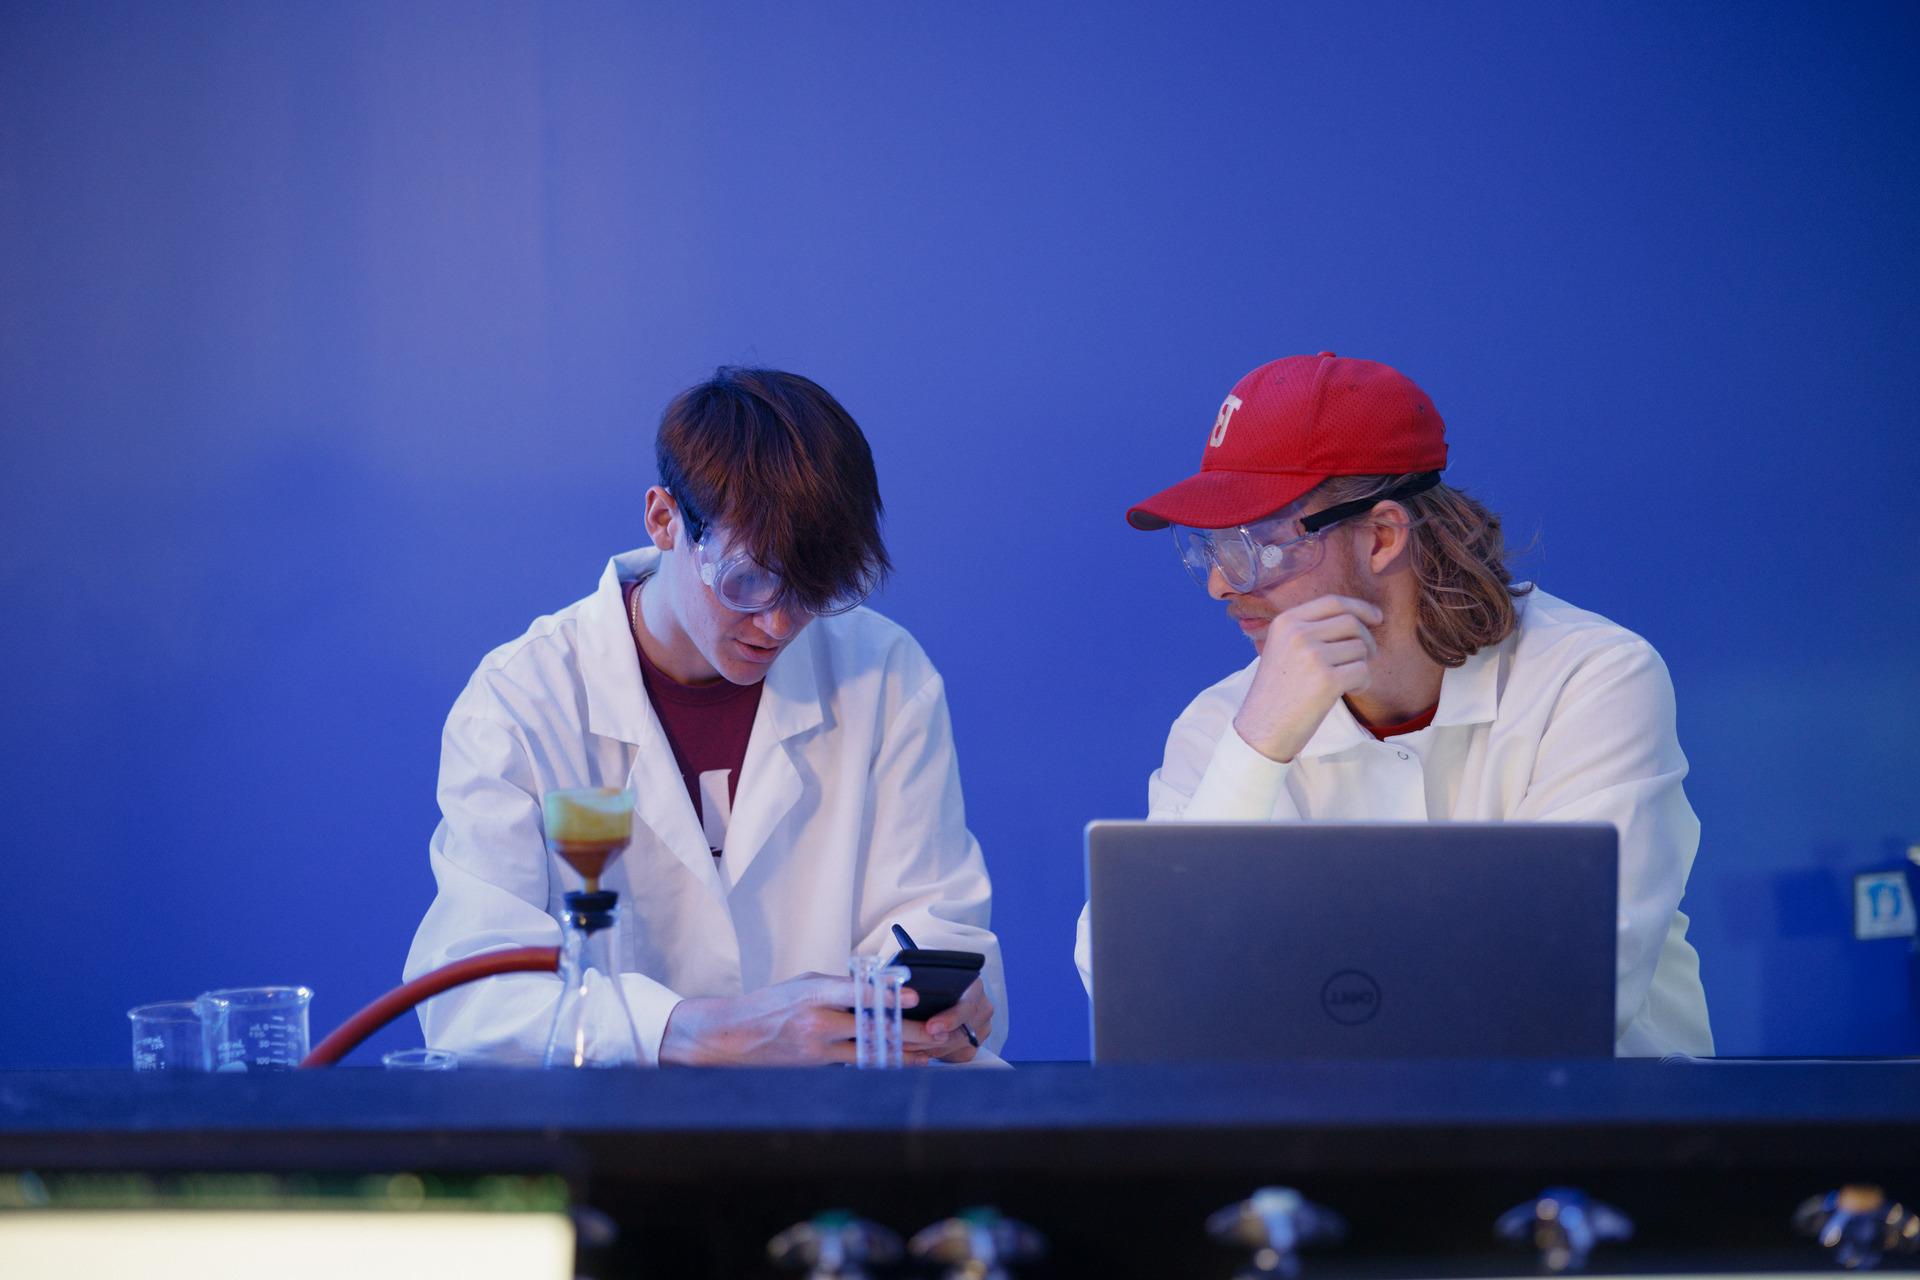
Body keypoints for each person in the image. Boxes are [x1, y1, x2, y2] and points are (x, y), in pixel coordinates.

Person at [1075, 351, 1710, 1057]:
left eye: (1253, 544)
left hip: (1589, 1145)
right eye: (1211, 549)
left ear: (1381, 536)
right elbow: (1133, 994)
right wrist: (1255, 751)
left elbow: (1571, 994)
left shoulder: (1591, 678)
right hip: (1322, 1153)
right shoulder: (1225, 723)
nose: (1223, 586)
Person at [408, 367, 1003, 1065]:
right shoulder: (524, 701)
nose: (779, 624)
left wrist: (946, 1005)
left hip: (838, 1138)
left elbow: (936, 922)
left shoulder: (886, 673)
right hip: (613, 1145)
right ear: (665, 520)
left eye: (815, 587)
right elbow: (473, 997)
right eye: (747, 580)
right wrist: (693, 1031)